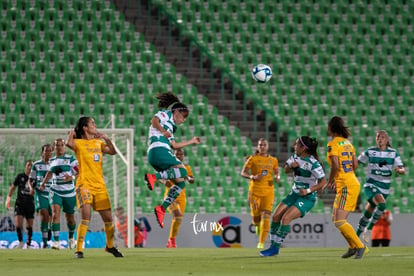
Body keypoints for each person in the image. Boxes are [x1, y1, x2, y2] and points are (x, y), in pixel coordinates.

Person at [66, 116, 123, 258]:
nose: (95, 125)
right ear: (85, 128)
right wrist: (71, 133)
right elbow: (68, 143)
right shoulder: (78, 143)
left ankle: (110, 247)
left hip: (100, 186)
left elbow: (113, 151)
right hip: (84, 184)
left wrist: (106, 138)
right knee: (86, 215)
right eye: (92, 123)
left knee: (109, 219)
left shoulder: (99, 143)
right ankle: (78, 249)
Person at [259, 136, 326, 256]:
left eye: (297, 145)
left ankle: (275, 248)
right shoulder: (295, 156)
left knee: (286, 219)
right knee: (275, 217)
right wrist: (291, 167)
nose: (294, 146)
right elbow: (285, 170)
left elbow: (323, 182)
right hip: (294, 194)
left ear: (303, 148)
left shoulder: (313, 163)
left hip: (307, 198)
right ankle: (272, 246)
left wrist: (309, 190)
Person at [144, 92, 201, 228]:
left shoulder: (171, 127)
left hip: (160, 153)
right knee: (183, 172)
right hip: (158, 150)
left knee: (181, 183)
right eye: (184, 116)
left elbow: (175, 146)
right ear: (176, 112)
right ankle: (154, 177)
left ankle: (162, 208)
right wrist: (163, 131)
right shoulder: (165, 114)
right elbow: (154, 121)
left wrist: (191, 141)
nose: (184, 120)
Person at [326, 116, 367, 259]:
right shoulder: (348, 144)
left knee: (339, 221)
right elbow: (355, 165)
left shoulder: (332, 144)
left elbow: (336, 166)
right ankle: (352, 246)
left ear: (330, 129)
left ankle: (360, 246)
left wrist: (329, 180)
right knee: (335, 218)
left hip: (346, 186)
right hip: (350, 182)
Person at [355, 130, 405, 242]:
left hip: (385, 188)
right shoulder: (370, 151)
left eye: (382, 137)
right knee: (382, 205)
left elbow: (402, 169)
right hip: (371, 184)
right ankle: (369, 229)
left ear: (387, 140)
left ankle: (355, 237)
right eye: (378, 137)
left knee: (368, 213)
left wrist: (399, 170)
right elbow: (356, 163)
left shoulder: (393, 153)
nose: (380, 139)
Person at [241, 138, 280, 249]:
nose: (262, 147)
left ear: (268, 146)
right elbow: (243, 173)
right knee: (256, 218)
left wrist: (277, 177)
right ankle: (256, 224)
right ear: (258, 147)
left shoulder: (273, 160)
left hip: (268, 192)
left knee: (267, 215)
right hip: (255, 192)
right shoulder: (252, 159)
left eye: (264, 145)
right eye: (260, 145)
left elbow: (277, 172)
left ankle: (261, 243)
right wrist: (253, 177)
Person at [40, 138, 78, 250]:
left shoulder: (71, 159)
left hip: (69, 192)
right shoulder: (51, 161)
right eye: (57, 145)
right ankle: (56, 242)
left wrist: (72, 177)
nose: (60, 147)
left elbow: (80, 172)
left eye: (62, 145)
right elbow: (50, 172)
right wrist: (43, 183)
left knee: (70, 217)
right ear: (54, 147)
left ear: (64, 147)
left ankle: (71, 237)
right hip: (55, 191)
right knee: (55, 214)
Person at [163, 148, 194, 248]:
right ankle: (171, 241)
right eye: (177, 154)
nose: (179, 156)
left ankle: (171, 240)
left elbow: (192, 180)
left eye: (181, 154)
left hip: (182, 197)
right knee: (177, 214)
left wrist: (188, 178)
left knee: (178, 218)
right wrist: (165, 182)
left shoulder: (186, 168)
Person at [5, 160, 35, 248]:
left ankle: (29, 244)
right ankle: (21, 242)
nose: (29, 167)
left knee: (29, 225)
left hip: (30, 204)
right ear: (25, 166)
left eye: (31, 165)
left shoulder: (35, 178)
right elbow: (13, 188)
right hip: (20, 203)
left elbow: (35, 192)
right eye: (28, 165)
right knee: (18, 224)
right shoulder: (20, 176)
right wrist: (8, 199)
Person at [29, 144, 53, 248]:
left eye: (50, 151)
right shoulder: (36, 164)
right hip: (40, 193)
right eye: (46, 151)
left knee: (53, 216)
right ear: (42, 152)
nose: (48, 153)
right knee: (44, 214)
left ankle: (49, 229)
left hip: (53, 193)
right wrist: (31, 188)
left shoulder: (55, 164)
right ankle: (45, 243)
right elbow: (31, 179)